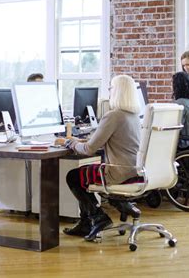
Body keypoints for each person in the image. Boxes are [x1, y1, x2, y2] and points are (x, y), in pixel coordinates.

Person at [56, 75, 142, 241]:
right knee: (82, 174)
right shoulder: (133, 116)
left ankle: (97, 217)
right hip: (134, 171)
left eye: (111, 88)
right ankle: (86, 223)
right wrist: (77, 141)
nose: (109, 91)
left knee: (73, 176)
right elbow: (101, 142)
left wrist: (68, 143)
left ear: (117, 92)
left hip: (117, 172)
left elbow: (88, 150)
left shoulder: (114, 116)